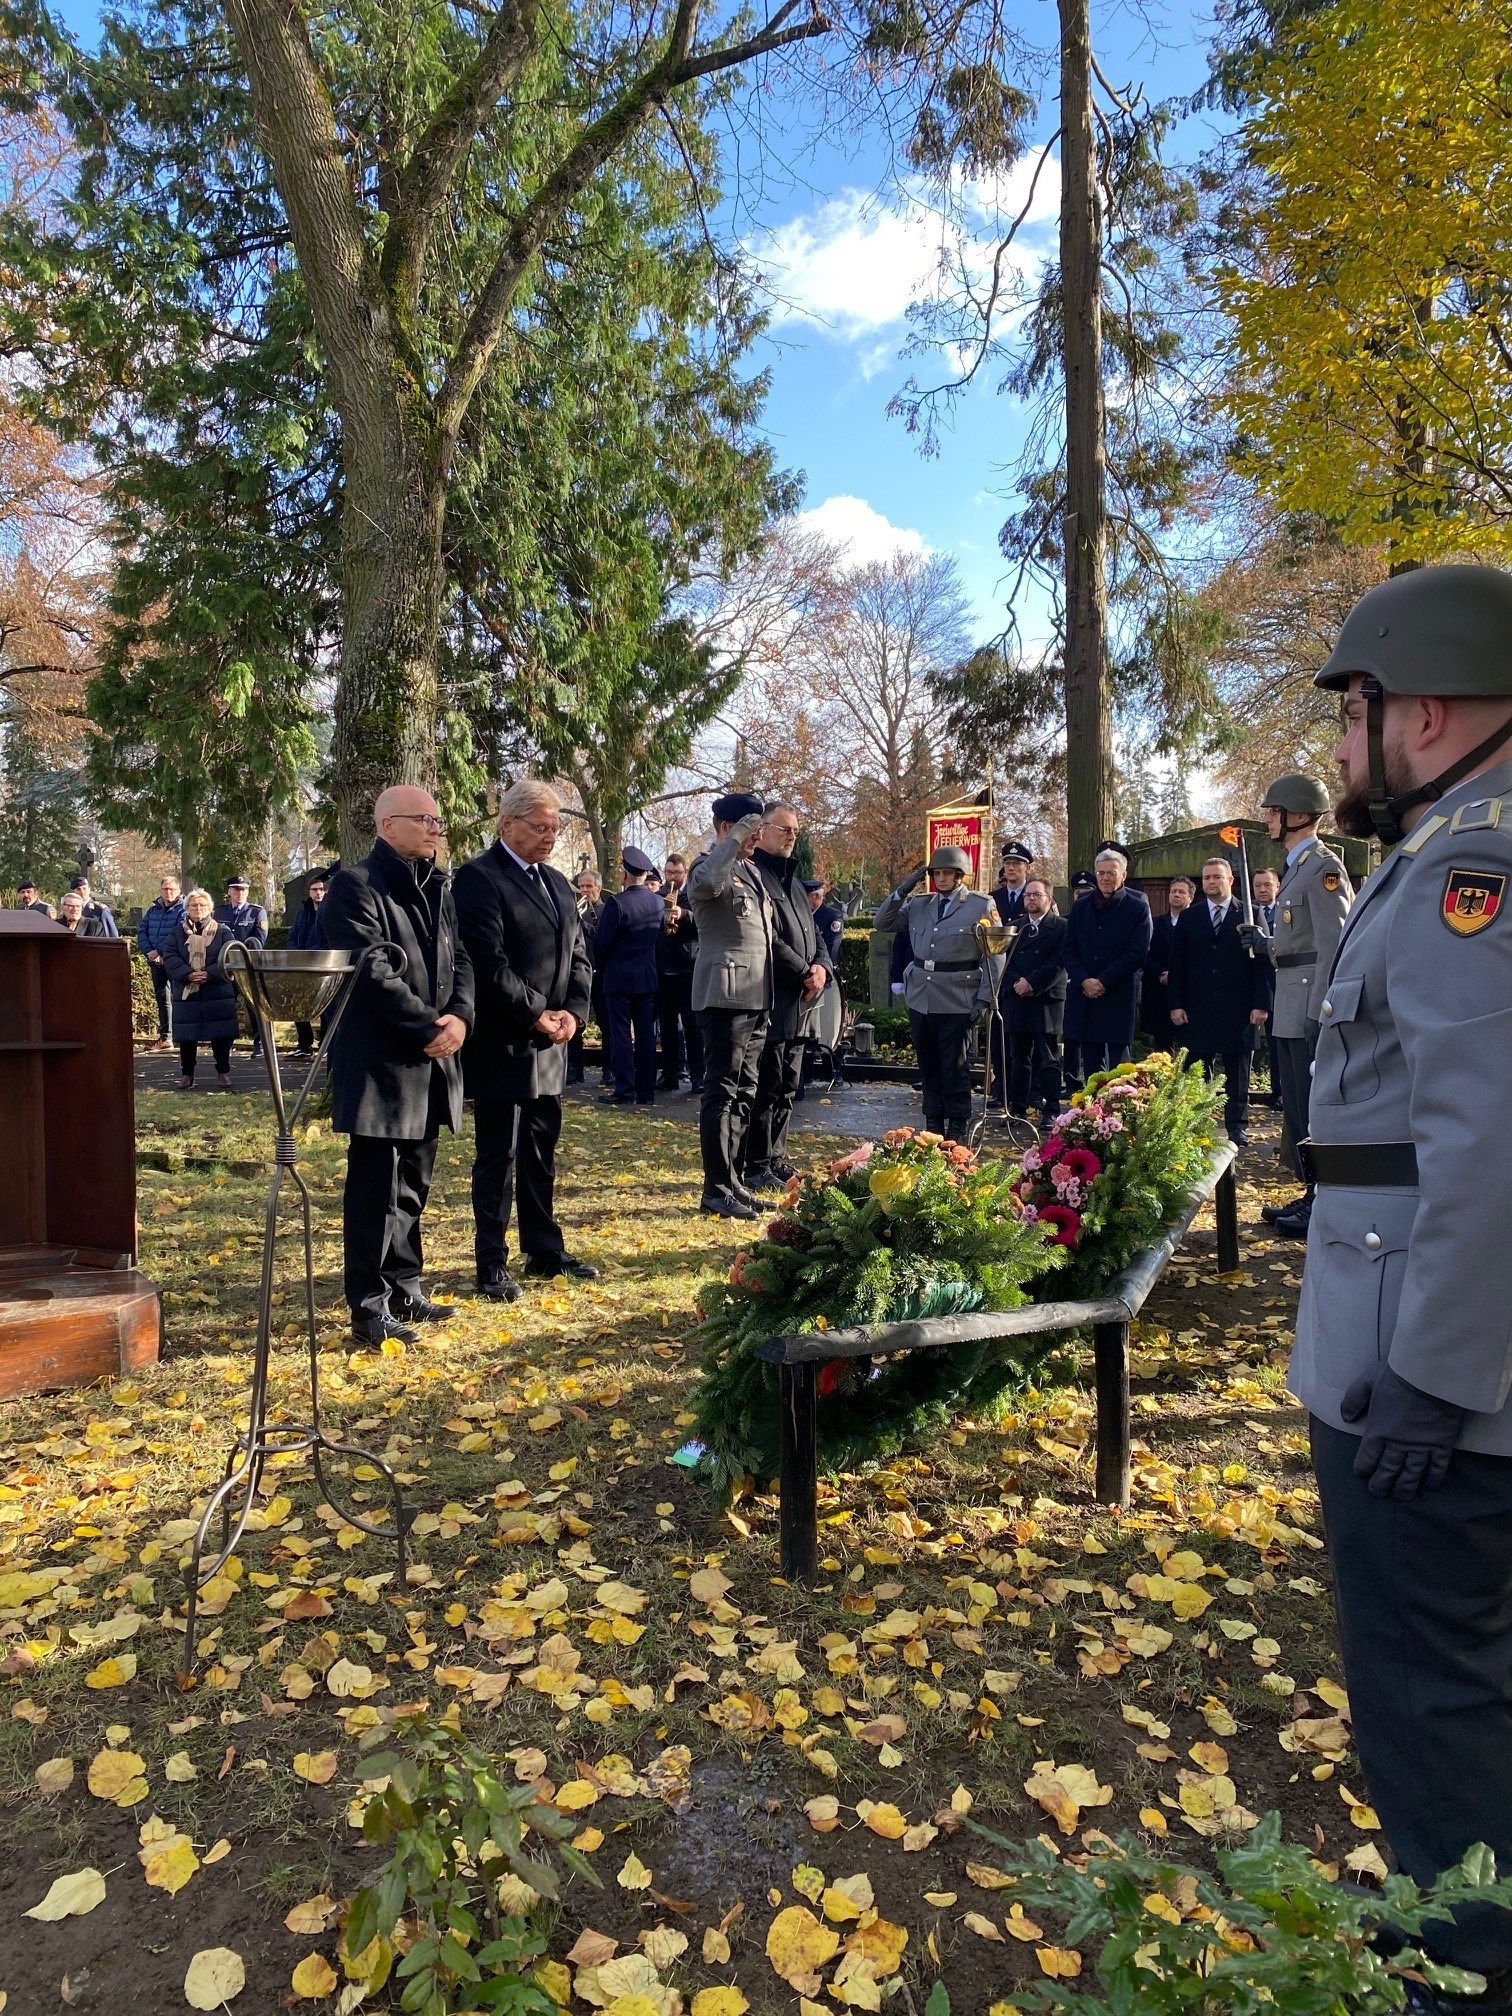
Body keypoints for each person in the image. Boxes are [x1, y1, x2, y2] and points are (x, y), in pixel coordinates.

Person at [1288, 563, 1512, 1996]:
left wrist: (1433, 1372)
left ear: (1423, 710)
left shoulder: (1469, 871)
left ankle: (1462, 1966)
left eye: (1355, 708)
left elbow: (1489, 1140)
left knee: (1433, 1701)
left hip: (1423, 1359)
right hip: (1426, 1319)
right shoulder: (1451, 847)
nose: (1343, 742)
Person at [321, 785, 474, 1343]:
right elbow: (372, 972)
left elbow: (460, 959)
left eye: (439, 819)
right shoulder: (355, 885)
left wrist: (459, 1017)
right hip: (383, 1062)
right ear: (388, 825)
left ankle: (406, 1287)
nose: (436, 828)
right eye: (425, 819)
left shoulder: (439, 884)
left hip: (434, 1057)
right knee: (373, 1188)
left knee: (413, 1181)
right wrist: (430, 1026)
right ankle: (368, 1304)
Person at [452, 780, 596, 1302]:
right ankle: (491, 1261)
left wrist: (574, 1015)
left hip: (552, 1043)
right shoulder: (478, 878)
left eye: (556, 828)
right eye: (540, 827)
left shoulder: (558, 884)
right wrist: (537, 1014)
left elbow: (580, 955)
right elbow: (486, 964)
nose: (550, 837)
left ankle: (544, 1248)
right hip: (503, 1041)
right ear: (506, 824)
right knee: (499, 1156)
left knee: (541, 1150)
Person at [1241, 774, 1353, 1237]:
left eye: (1274, 810)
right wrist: (1265, 944)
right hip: (1288, 997)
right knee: (1296, 1109)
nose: (1268, 817)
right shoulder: (1297, 867)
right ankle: (1313, 1193)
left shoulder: (1324, 867)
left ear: (1300, 815)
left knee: (1312, 1107)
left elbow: (1335, 944)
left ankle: (1322, 1198)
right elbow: (1297, 943)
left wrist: (1321, 1010)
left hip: (1307, 1001)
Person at [875, 845, 1004, 1140]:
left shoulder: (980, 905)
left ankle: (957, 1123)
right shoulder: (920, 904)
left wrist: (985, 997)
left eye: (948, 873)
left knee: (954, 1064)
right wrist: (905, 887)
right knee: (928, 1062)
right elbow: (882, 922)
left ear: (960, 876)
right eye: (937, 873)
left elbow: (994, 957)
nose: (941, 878)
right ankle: (932, 1121)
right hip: (922, 994)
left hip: (958, 994)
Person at [687, 792, 772, 1219]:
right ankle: (715, 1188)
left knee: (745, 1092)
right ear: (726, 827)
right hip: (725, 995)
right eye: (749, 827)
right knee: (720, 1092)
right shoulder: (708, 865)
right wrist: (735, 838)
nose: (756, 836)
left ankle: (733, 1180)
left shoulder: (748, 872)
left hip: (756, 995)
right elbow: (704, 887)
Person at [746, 803, 831, 1188]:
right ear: (761, 831)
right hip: (774, 996)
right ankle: (756, 1162)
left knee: (788, 1086)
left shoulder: (795, 883)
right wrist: (802, 971)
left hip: (802, 1002)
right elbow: (768, 937)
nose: (792, 835)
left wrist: (822, 968)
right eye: (785, 829)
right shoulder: (755, 876)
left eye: (795, 830)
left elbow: (814, 935)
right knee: (767, 1084)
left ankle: (776, 1156)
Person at [1167, 856, 1272, 1144]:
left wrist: (1261, 1003)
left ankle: (1237, 1127)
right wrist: (1175, 1004)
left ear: (1230, 880)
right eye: (1206, 878)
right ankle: (1196, 1127)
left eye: (1216, 877)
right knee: (1197, 1072)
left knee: (1238, 1073)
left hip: (1239, 1008)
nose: (1211, 882)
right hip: (1197, 1008)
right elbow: (1177, 964)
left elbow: (1262, 962)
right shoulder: (1190, 916)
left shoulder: (1249, 914)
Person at [1063, 845, 1152, 1076]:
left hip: (1117, 993)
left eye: (1111, 873)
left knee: (1120, 1069)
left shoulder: (1137, 906)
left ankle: (1120, 1111)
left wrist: (1102, 981)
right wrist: (1084, 980)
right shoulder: (1081, 906)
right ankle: (1093, 1112)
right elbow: (1068, 948)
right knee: (1092, 1067)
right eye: (1100, 873)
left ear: (1123, 875)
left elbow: (1138, 952)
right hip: (1084, 994)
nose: (1104, 878)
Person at [594, 846, 665, 1106]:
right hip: (646, 976)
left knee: (621, 1034)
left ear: (625, 876)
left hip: (619, 977)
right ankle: (646, 1091)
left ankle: (625, 1089)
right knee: (646, 1035)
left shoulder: (617, 903)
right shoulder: (657, 902)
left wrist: (602, 966)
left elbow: (602, 943)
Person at [1001, 876, 1067, 1121]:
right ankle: (1017, 1108)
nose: (1030, 899)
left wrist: (1033, 983)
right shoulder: (1014, 927)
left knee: (1048, 1058)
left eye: (1036, 895)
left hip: (1046, 999)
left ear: (1048, 899)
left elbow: (1059, 961)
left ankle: (1051, 1110)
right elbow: (1003, 961)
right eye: (1027, 895)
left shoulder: (1061, 927)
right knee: (1019, 1058)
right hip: (1017, 999)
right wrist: (1017, 982)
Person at [163, 888, 237, 1088]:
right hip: (187, 991)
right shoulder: (177, 931)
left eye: (202, 905)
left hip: (216, 990)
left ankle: (223, 1072)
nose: (198, 908)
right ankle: (187, 1074)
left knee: (220, 1034)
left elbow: (230, 955)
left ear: (210, 909)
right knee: (188, 1036)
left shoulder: (222, 931)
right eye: (193, 905)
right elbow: (169, 956)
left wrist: (209, 973)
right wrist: (188, 974)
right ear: (186, 908)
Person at [656, 853, 703, 1093]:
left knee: (692, 1026)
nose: (672, 877)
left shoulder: (693, 895)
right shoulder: (658, 896)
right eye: (669, 873)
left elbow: (703, 924)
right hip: (665, 969)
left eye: (677, 873)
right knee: (667, 1026)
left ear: (685, 873)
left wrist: (682, 914)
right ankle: (669, 1074)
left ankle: (698, 1076)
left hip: (688, 968)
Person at [215, 874, 270, 1056]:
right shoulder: (220, 912)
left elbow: (258, 941)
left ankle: (259, 1043)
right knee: (226, 1007)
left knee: (253, 1006)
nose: (240, 893)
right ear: (229, 891)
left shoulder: (256, 912)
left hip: (247, 967)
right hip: (227, 966)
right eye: (236, 889)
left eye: (243, 890)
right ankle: (226, 1044)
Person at [1141, 874, 1193, 1051]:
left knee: (1190, 1049)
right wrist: (1161, 973)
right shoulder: (1154, 924)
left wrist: (1177, 975)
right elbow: (1144, 953)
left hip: (1188, 993)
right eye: (1173, 891)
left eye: (1181, 892)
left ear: (1190, 897)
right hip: (1159, 992)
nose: (1176, 895)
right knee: (1162, 1049)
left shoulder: (1197, 924)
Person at [566, 869, 605, 1085]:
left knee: (605, 1022)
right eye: (581, 886)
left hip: (599, 973)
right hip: (578, 973)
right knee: (576, 1022)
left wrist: (583, 924)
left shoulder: (605, 910)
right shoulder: (574, 911)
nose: (584, 890)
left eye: (589, 886)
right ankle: (575, 1068)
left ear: (598, 888)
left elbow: (602, 938)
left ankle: (609, 1069)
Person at [286, 870, 332, 1058]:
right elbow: (292, 937)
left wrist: (311, 953)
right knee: (299, 1005)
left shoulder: (331, 912)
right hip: (301, 965)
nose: (318, 893)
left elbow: (328, 939)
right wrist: (296, 953)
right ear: (309, 892)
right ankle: (304, 1044)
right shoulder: (302, 913)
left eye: (321, 889)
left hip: (322, 965)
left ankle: (325, 1044)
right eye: (314, 890)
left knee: (325, 1006)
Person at [137, 874, 185, 1049]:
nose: (168, 892)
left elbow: (179, 933)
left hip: (174, 961)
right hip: (155, 962)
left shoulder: (183, 910)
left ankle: (181, 1035)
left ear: (178, 890)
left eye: (172, 889)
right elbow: (142, 931)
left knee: (178, 998)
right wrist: (149, 951)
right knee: (162, 998)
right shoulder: (153, 910)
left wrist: (163, 953)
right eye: (165, 889)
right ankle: (166, 1036)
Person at [1060, 868, 1097, 1091]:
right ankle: (1071, 1079)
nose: (1081, 895)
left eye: (1086, 891)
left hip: (1094, 983)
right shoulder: (1065, 920)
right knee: (1071, 1035)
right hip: (1071, 982)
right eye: (1078, 891)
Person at [1250, 867, 1283, 1108]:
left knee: (1279, 1044)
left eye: (1267, 885)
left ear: (1277, 886)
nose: (1262, 890)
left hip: (1282, 987)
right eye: (1258, 885)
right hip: (1252, 989)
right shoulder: (1247, 914)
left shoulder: (1286, 912)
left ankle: (1280, 1092)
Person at [806, 876, 845, 967]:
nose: (802, 900)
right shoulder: (802, 914)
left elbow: (831, 948)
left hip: (824, 968)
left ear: (815, 896)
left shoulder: (833, 917)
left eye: (806, 896)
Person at [993, 841, 1034, 924]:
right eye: (1007, 863)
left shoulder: (1036, 896)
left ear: (1028, 868)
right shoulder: (993, 898)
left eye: (1016, 864)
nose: (1011, 868)